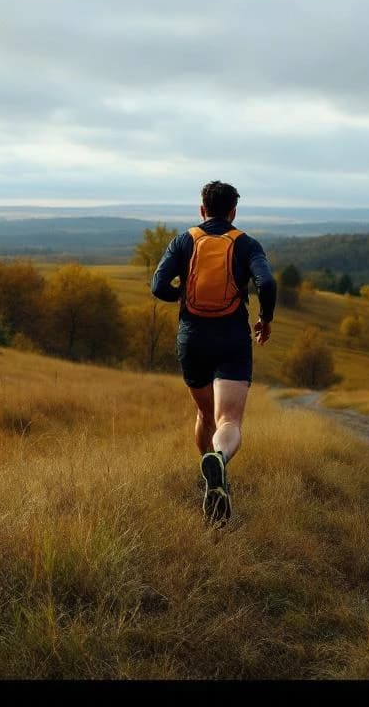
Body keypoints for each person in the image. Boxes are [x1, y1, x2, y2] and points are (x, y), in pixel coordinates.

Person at [151, 181, 276, 524]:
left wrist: (182, 297)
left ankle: (211, 479)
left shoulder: (184, 241)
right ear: (233, 211)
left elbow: (158, 285)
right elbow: (266, 283)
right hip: (232, 338)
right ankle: (219, 460)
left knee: (205, 416)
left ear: (202, 209)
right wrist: (264, 319)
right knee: (229, 420)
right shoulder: (246, 244)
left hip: (192, 339)